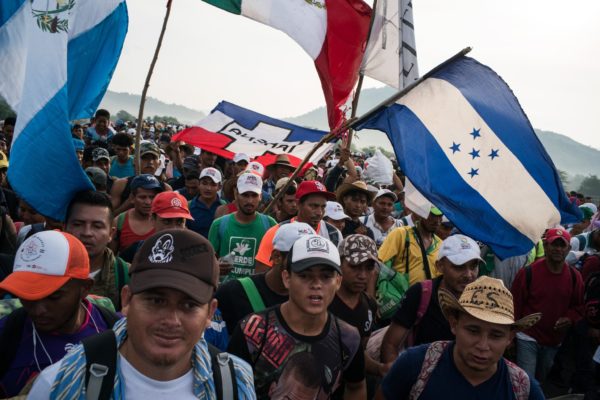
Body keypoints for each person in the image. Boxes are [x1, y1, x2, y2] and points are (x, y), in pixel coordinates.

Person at [28, 229, 256, 399]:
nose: (171, 320)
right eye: (156, 301)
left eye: (189, 305)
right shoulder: (61, 383)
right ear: (126, 300)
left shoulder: (234, 383)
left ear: (210, 313)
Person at [228, 234, 366, 399]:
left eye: (326, 276)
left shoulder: (347, 338)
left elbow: (356, 386)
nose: (316, 285)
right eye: (305, 275)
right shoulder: (252, 330)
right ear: (287, 278)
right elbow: (229, 389)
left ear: (338, 281)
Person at [377, 276, 545, 400]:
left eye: (496, 335)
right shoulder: (415, 365)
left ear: (510, 338)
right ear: (454, 325)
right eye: (473, 330)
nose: (483, 345)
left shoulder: (524, 390)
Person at [0, 231, 118, 398]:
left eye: (54, 296)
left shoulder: (116, 331)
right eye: (27, 295)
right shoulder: (7, 333)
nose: (38, 310)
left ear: (85, 288)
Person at [380, 234, 482, 363]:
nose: (468, 275)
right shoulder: (420, 294)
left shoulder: (481, 299)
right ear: (439, 266)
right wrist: (396, 377)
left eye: (473, 266)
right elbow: (390, 344)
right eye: (459, 266)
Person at [511, 227, 584, 381]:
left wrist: (569, 319)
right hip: (527, 337)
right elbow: (515, 304)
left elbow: (579, 307)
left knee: (541, 378)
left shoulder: (575, 277)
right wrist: (510, 334)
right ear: (545, 246)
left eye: (562, 245)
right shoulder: (528, 273)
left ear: (569, 249)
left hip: (554, 340)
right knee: (527, 381)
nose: (558, 249)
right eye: (554, 244)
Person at [216, 222, 315, 333]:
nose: (308, 265)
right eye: (299, 257)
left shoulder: (315, 299)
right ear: (277, 257)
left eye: (312, 259)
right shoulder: (233, 292)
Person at [254, 180, 342, 271]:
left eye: (323, 207)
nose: (319, 213)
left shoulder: (334, 234)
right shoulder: (276, 232)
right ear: (298, 204)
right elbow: (261, 274)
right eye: (313, 206)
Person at [65, 190, 129, 310]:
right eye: (78, 224)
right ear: (65, 227)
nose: (87, 233)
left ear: (111, 233)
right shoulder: (46, 270)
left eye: (97, 226)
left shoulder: (127, 275)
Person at [329, 235, 382, 378]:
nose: (363, 275)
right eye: (355, 266)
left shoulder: (369, 306)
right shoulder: (323, 301)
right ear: (339, 264)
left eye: (369, 267)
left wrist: (380, 369)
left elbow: (358, 354)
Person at [209, 172, 277, 282]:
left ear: (260, 196)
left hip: (256, 293)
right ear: (236, 194)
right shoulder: (219, 225)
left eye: (254, 195)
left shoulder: (270, 225)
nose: (250, 201)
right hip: (226, 293)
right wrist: (216, 267)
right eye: (245, 195)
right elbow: (208, 260)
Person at [378, 207, 443, 286]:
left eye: (440, 216)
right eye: (432, 215)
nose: (437, 221)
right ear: (421, 214)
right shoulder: (400, 234)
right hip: (399, 295)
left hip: (427, 296)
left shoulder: (441, 244)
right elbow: (379, 263)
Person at [111, 174, 164, 254]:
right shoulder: (118, 222)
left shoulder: (164, 220)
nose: (148, 202)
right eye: (142, 197)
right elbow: (111, 258)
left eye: (152, 197)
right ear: (132, 198)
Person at [186, 167, 225, 238]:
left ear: (219, 187)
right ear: (199, 184)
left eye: (213, 184)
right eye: (204, 183)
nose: (208, 188)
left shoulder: (225, 206)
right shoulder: (188, 206)